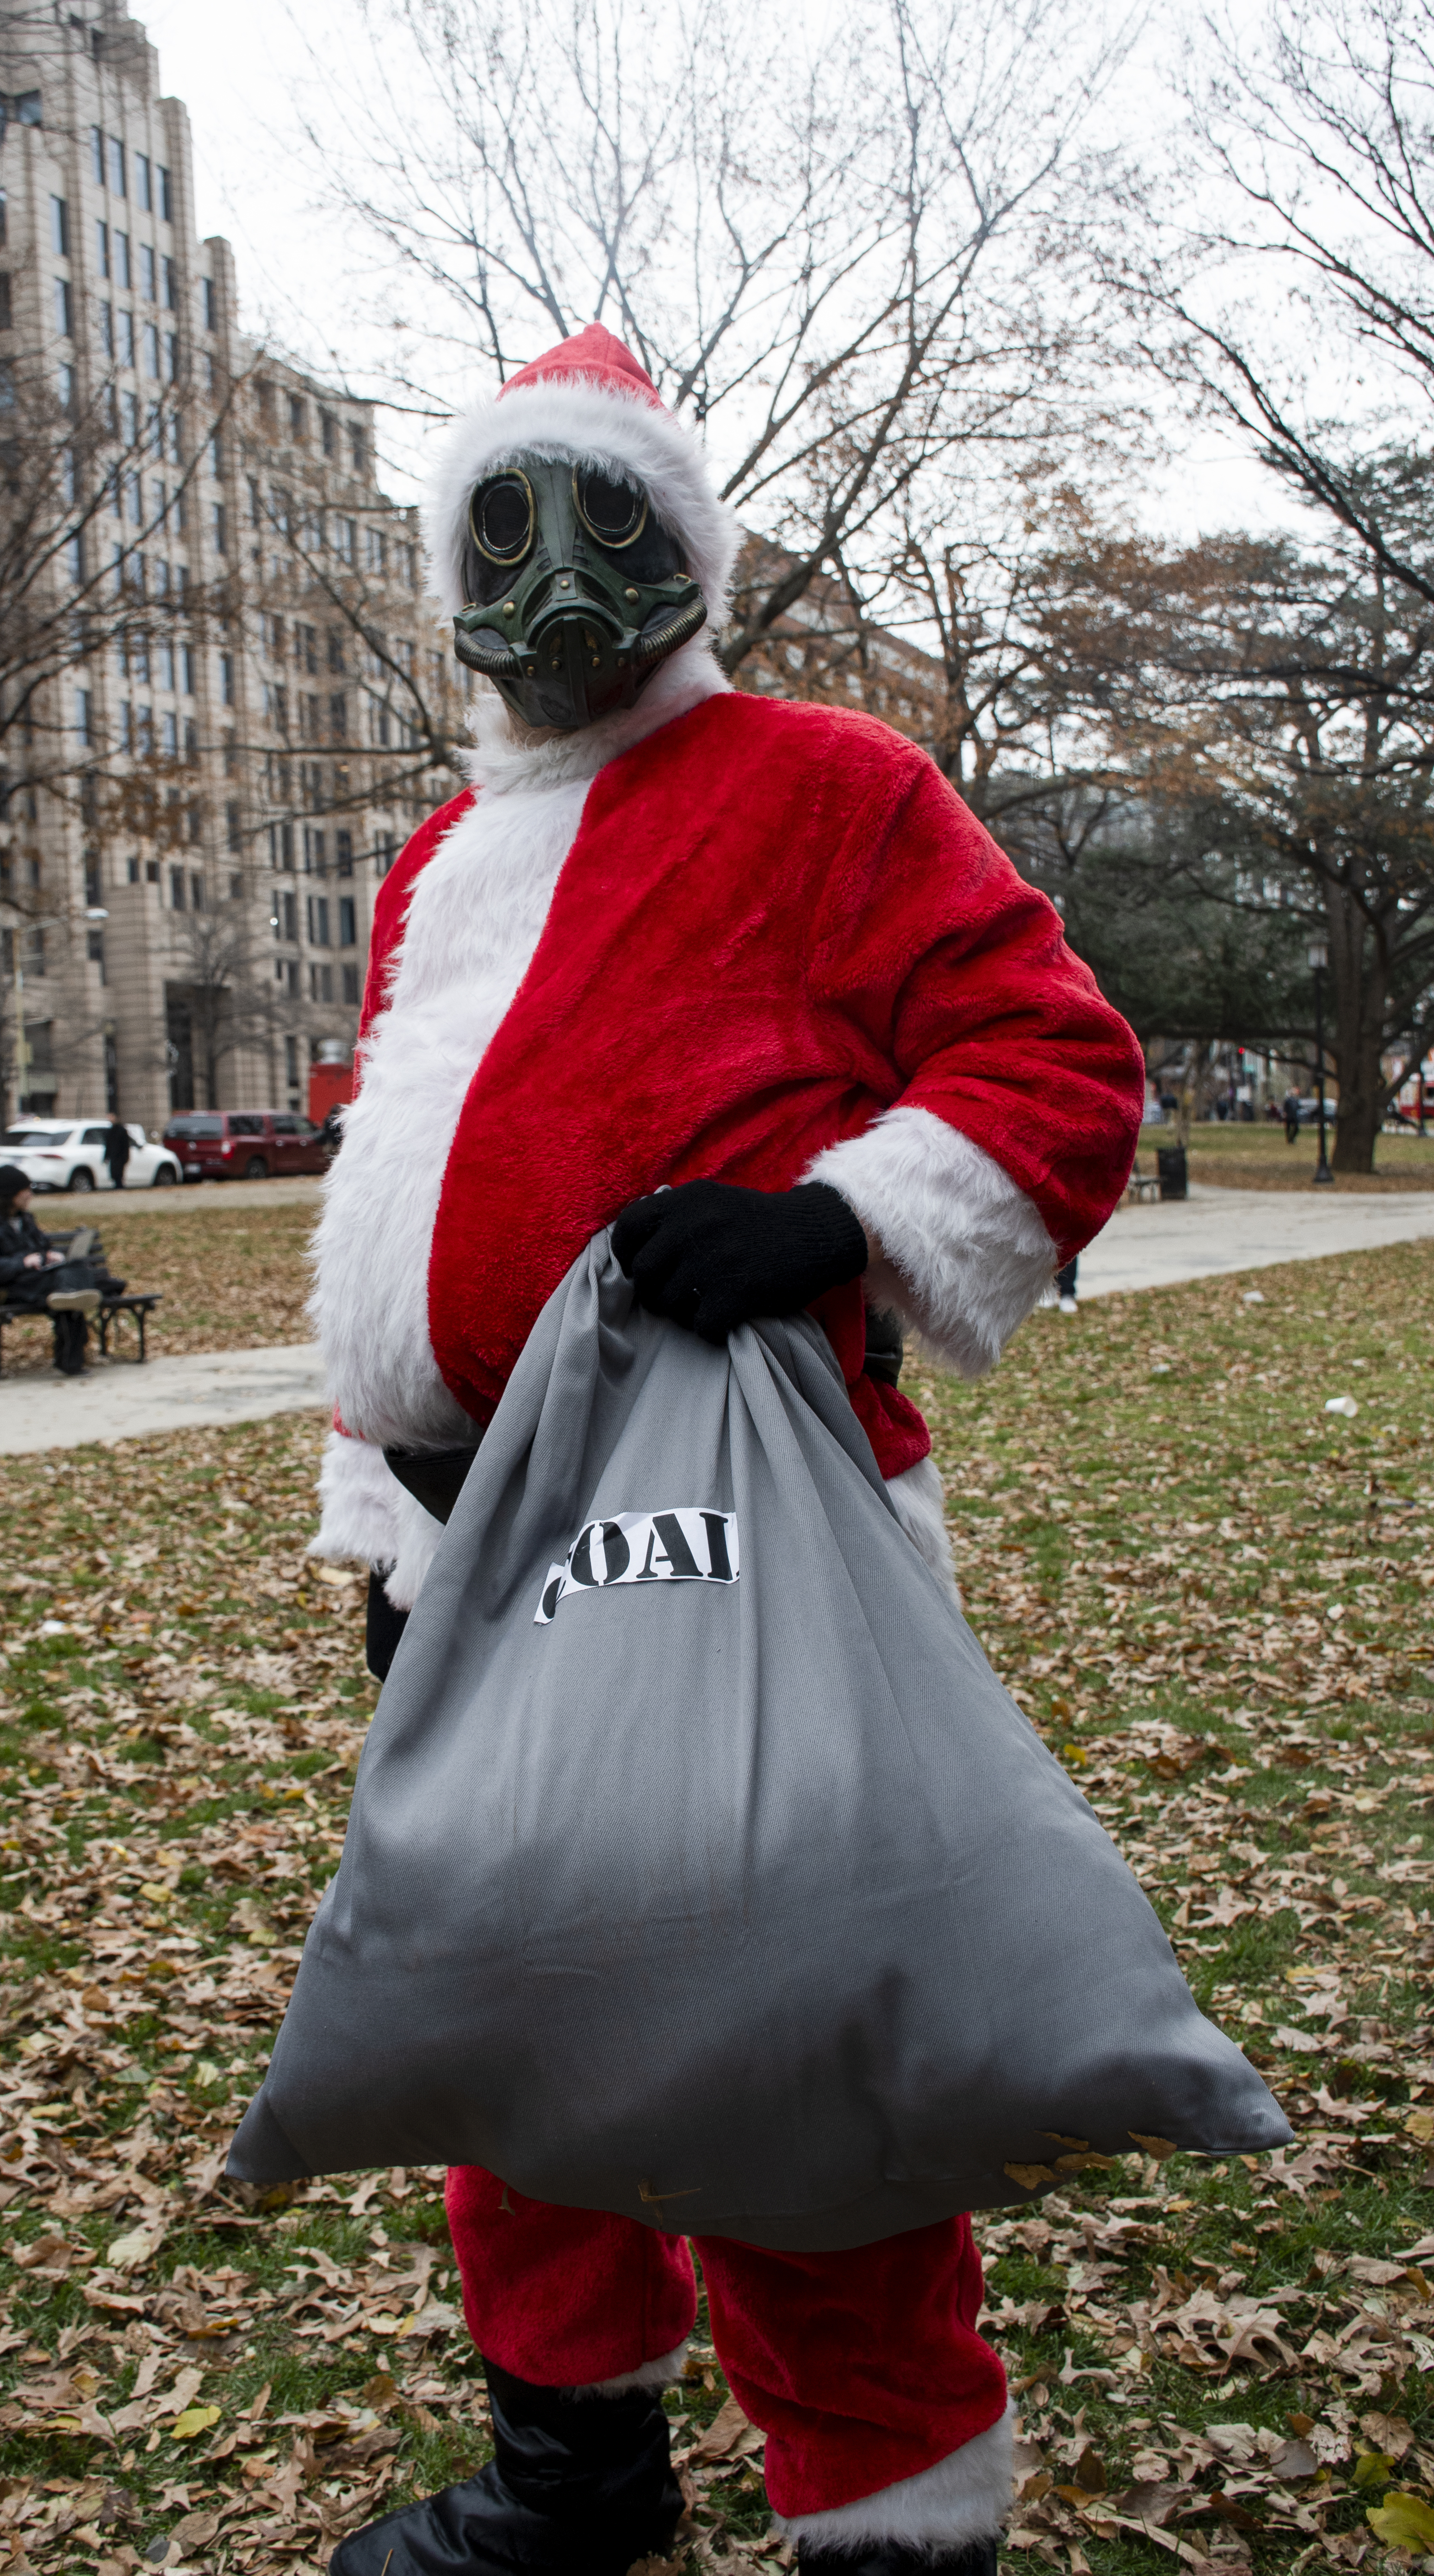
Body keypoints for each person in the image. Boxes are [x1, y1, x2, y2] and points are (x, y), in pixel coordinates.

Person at [308, 327, 1143, 2576]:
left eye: (607, 516)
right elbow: (404, 1199)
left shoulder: (827, 787)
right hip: (465, 1567)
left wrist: (840, 1219)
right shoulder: (435, 865)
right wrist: (383, 1515)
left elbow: (1056, 1062)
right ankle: (575, 2475)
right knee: (517, 2040)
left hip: (739, 1549)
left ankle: (890, 2520)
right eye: (501, 521)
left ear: (683, 546)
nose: (554, 573)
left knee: (791, 2070)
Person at [0, 1165, 108, 1377]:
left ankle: (73, 1297)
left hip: (37, 1280)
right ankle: (79, 1296)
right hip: (8, 1288)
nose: (30, 1195)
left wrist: (49, 1255)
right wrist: (22, 1263)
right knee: (66, 1291)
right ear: (12, 1194)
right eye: (26, 1190)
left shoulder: (25, 1220)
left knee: (71, 1277)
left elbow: (42, 1245)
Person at [103, 1115, 132, 1190]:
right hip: (113, 1156)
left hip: (120, 1156)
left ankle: (120, 1186)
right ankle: (118, 1186)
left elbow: (126, 1145)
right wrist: (106, 1156)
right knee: (114, 1173)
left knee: (119, 1173)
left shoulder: (122, 1131)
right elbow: (108, 1145)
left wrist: (126, 1157)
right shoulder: (110, 1131)